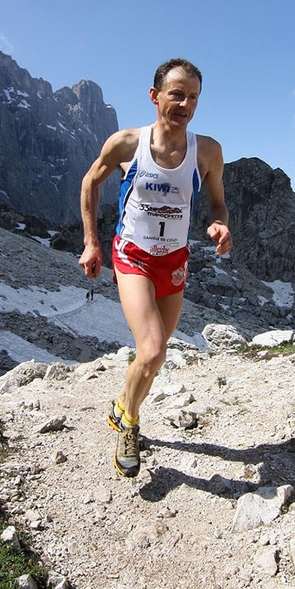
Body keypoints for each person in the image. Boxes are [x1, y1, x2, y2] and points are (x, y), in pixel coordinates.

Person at [79, 58, 232, 478]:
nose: (185, 104)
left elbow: (217, 201)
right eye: (177, 93)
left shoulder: (208, 151)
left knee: (154, 357)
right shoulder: (128, 143)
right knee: (152, 349)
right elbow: (91, 181)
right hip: (133, 257)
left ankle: (121, 405)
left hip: (175, 261)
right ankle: (129, 425)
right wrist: (92, 243)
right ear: (155, 96)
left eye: (194, 97)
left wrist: (219, 222)